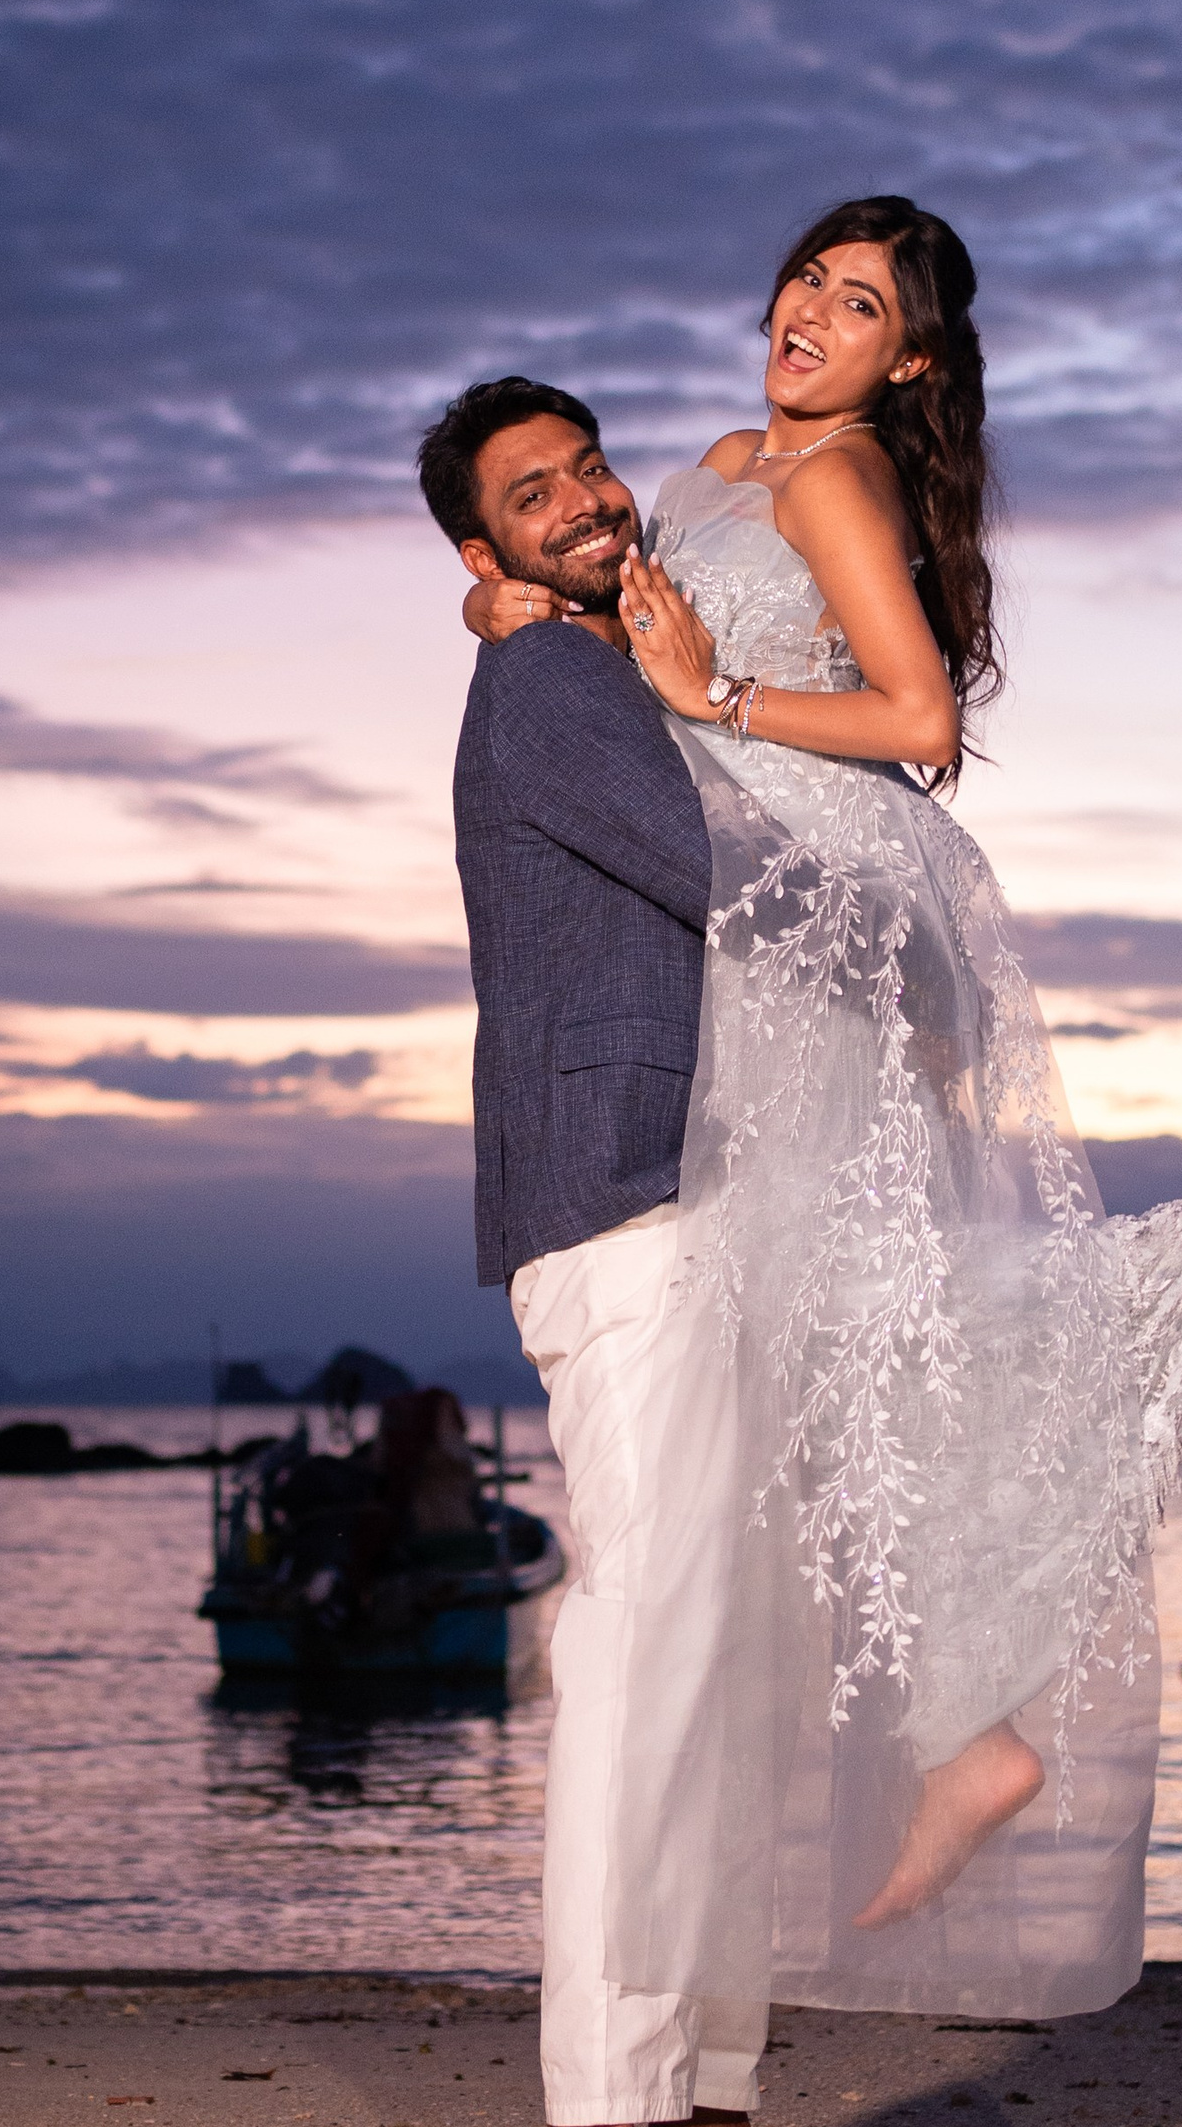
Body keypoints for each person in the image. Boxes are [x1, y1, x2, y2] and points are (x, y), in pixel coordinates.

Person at [423, 233, 1182, 2104]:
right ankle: (667, 2056)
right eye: (807, 281)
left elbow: (895, 737)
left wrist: (699, 699)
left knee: (798, 1469)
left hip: (753, 1014)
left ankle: (706, 2049)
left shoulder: (769, 513)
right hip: (646, 1150)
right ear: (481, 548)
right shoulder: (594, 620)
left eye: (863, 307)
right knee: (707, 1582)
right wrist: (564, 632)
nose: (810, 319)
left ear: (913, 366)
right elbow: (670, 775)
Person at [419, 376, 766, 2127]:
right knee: (646, 1658)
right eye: (527, 493)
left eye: (583, 464)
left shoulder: (595, 648)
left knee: (708, 1660)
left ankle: (701, 2080)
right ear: (485, 553)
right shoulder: (550, 676)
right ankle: (620, 2103)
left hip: (671, 1195)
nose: (577, 496)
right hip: (626, 1200)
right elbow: (731, 874)